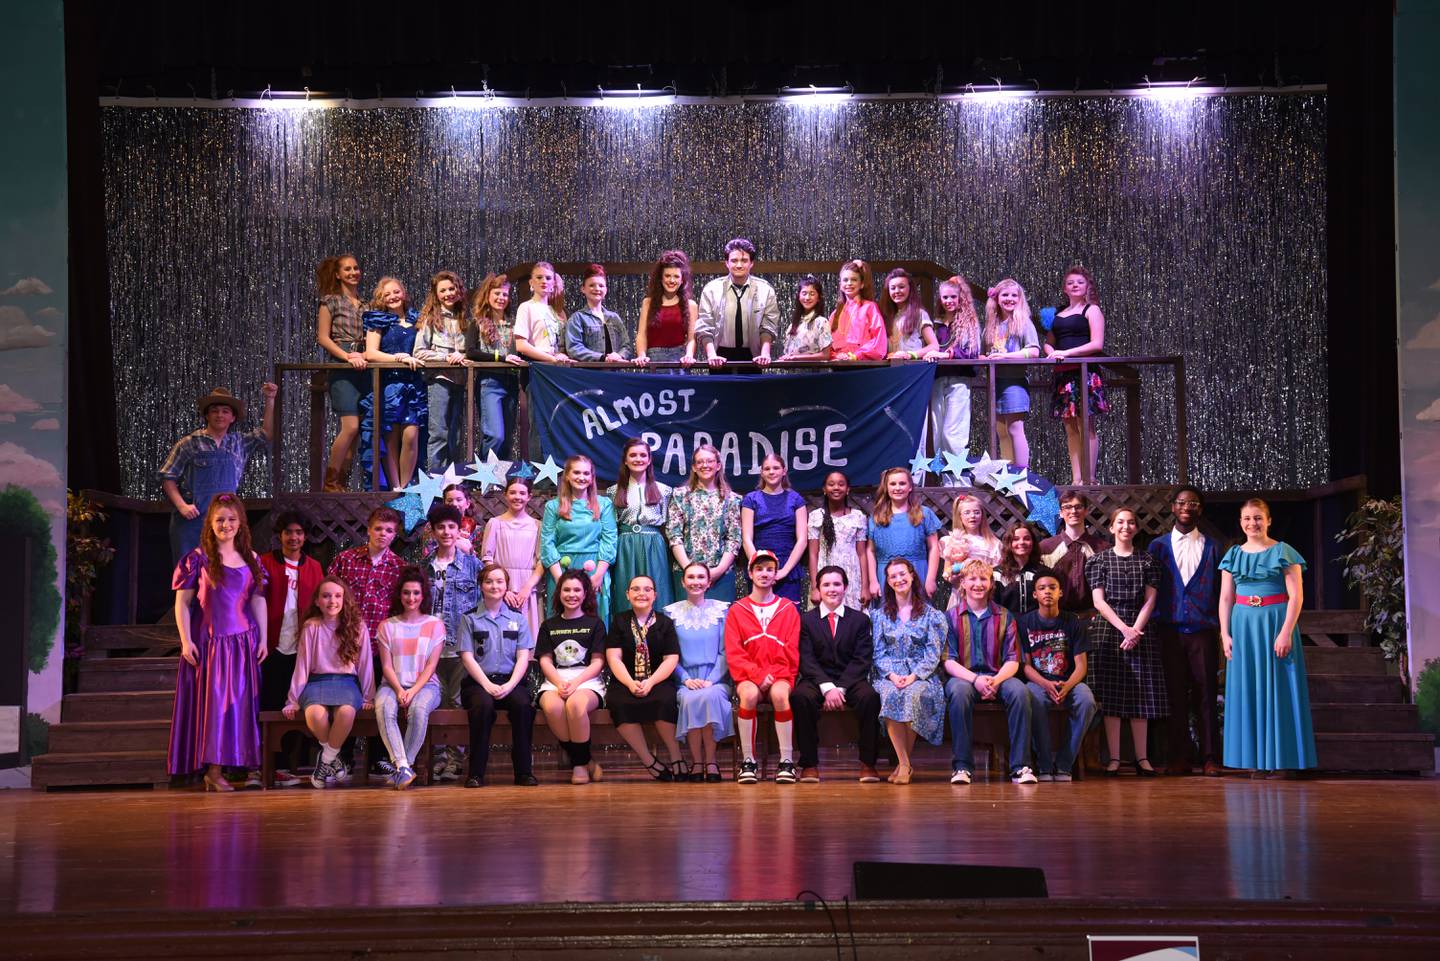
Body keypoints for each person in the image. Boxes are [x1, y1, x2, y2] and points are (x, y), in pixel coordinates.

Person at [168, 494, 268, 791]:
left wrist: (263, 637)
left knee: (240, 707)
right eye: (220, 520)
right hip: (212, 644)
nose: (226, 525)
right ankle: (212, 771)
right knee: (214, 709)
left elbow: (258, 599)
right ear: (210, 524)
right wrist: (185, 641)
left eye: (231, 519)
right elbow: (183, 604)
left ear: (241, 524)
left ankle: (243, 768)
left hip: (243, 644)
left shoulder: (252, 559)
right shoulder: (197, 559)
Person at [1219, 498, 1317, 775]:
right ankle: (1254, 761)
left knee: (1279, 688)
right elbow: (1226, 597)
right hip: (1243, 625)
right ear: (1241, 522)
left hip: (1275, 621)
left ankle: (1282, 759)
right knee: (1248, 688)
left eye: (1258, 517)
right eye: (1247, 518)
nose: (1253, 523)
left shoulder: (1284, 551)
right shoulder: (1234, 555)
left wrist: (1285, 632)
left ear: (1269, 520)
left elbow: (1296, 596)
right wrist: (1224, 633)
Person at [1147, 485, 1223, 776]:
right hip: (1169, 631)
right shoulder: (1158, 546)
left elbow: (1221, 590)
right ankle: (1178, 757)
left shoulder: (1214, 546)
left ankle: (1210, 758)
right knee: (1174, 695)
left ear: (1200, 509)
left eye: (1193, 503)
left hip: (1203, 630)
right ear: (1173, 507)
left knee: (1206, 695)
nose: (1187, 507)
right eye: (1181, 502)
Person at [159, 384, 277, 563]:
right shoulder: (190, 443)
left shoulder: (239, 443)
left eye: (225, 411)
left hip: (225, 523)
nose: (220, 415)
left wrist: (270, 399)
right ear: (207, 415)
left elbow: (267, 433)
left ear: (233, 417)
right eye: (214, 411)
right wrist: (182, 506)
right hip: (193, 523)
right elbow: (168, 476)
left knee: (222, 575)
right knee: (188, 574)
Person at [943, 559, 1036, 784]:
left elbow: (1013, 660)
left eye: (983, 579)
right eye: (972, 579)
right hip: (965, 677)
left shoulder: (1005, 616)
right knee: (958, 693)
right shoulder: (951, 617)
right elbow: (948, 661)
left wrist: (995, 681)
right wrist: (975, 680)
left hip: (1000, 676)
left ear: (991, 583)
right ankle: (962, 766)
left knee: (1021, 692)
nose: (978, 584)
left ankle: (1020, 766)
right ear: (963, 583)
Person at [1087, 507, 1165, 776]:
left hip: (1140, 630)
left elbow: (1151, 600)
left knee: (1140, 696)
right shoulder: (1099, 561)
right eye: (1120, 522)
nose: (1126, 527)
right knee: (1110, 697)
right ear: (1111, 527)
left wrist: (1135, 630)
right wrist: (1123, 629)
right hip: (1110, 630)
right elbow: (1098, 601)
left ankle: (1142, 758)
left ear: (1136, 528)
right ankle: (1115, 759)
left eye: (1131, 522)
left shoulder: (1148, 561)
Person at [283, 576, 376, 790]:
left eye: (337, 596)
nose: (332, 601)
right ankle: (334, 759)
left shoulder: (357, 626)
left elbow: (365, 664)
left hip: (346, 682)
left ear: (345, 600)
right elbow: (302, 665)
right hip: (317, 682)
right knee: (314, 714)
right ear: (317, 601)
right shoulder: (311, 626)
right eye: (326, 596)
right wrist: (293, 699)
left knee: (346, 713)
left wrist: (368, 696)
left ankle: (324, 762)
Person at [254, 510, 323, 788]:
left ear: (305, 537)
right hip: (270, 646)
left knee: (294, 707)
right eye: (288, 532)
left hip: (302, 649)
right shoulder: (265, 562)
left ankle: (289, 767)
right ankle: (267, 766)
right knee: (269, 703)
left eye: (299, 533)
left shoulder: (315, 567)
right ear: (280, 535)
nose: (294, 538)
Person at [793, 566, 881, 782]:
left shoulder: (860, 620)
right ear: (818, 589)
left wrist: (840, 688)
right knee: (800, 697)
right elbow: (806, 658)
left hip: (849, 680)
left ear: (845, 588)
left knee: (870, 698)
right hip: (816, 679)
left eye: (837, 584)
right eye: (826, 584)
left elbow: (862, 659)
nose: (832, 589)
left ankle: (868, 764)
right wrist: (827, 687)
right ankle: (809, 764)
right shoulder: (806, 620)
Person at [725, 551, 802, 783]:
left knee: (780, 694)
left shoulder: (788, 608)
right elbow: (734, 652)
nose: (764, 574)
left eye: (769, 569)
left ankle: (786, 761)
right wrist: (758, 676)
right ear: (750, 573)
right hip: (749, 676)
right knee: (747, 694)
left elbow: (792, 650)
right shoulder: (737, 610)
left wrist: (773, 676)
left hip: (779, 675)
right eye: (759, 569)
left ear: (776, 574)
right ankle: (748, 761)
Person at [457, 563, 538, 787]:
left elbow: (524, 656)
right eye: (489, 581)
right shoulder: (469, 618)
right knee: (482, 707)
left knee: (523, 707)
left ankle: (524, 772)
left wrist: (511, 684)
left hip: (511, 681)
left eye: (500, 581)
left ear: (506, 586)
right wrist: (487, 685)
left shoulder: (518, 618)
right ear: (481, 586)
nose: (495, 586)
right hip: (478, 683)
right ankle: (476, 773)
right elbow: (467, 656)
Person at [871, 557, 948, 785]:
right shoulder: (881, 615)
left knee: (914, 694)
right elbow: (878, 652)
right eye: (893, 576)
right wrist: (893, 676)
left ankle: (903, 765)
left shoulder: (931, 615)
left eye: (902, 574)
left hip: (921, 673)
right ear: (888, 581)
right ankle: (904, 763)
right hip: (889, 673)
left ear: (912, 575)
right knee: (891, 693)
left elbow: (933, 653)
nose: (899, 579)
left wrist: (913, 676)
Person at [421, 503, 483, 782]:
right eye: (441, 527)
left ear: (460, 530)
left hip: (461, 645)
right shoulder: (423, 567)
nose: (446, 532)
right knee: (434, 701)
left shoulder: (473, 565)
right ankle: (436, 757)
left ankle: (456, 759)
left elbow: (484, 603)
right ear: (433, 532)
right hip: (428, 647)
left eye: (451, 527)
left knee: (457, 701)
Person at [607, 575, 686, 780]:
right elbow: (614, 658)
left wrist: (650, 682)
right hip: (625, 680)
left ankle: (676, 756)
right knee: (619, 702)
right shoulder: (619, 621)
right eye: (636, 589)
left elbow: (671, 658)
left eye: (647, 589)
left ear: (655, 595)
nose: (641, 593)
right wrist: (630, 683)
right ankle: (648, 760)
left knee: (665, 700)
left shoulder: (665, 623)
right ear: (627, 594)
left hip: (658, 679)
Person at [1020, 571, 1096, 781]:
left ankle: (1064, 764)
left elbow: (1081, 666)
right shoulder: (1025, 622)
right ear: (1034, 594)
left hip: (1069, 681)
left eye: (1052, 587)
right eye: (1042, 588)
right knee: (1033, 699)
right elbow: (1025, 666)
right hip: (1038, 681)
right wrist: (1046, 684)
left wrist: (1068, 686)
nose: (1047, 592)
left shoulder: (1073, 622)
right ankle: (1044, 765)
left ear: (1060, 592)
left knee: (1087, 701)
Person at [373, 569, 445, 789]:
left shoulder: (435, 625)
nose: (411, 598)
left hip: (426, 686)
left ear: (423, 595)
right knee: (383, 706)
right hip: (393, 683)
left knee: (419, 709)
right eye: (406, 593)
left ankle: (405, 766)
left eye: (416, 593)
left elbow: (431, 666)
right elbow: (386, 666)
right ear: (399, 595)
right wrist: (398, 689)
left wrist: (412, 692)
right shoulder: (387, 626)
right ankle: (403, 765)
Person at [536, 570, 607, 784]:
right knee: (553, 708)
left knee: (575, 706)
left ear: (585, 594)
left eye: (577, 590)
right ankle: (586, 759)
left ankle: (578, 766)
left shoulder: (595, 624)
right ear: (559, 593)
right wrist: (559, 683)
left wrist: (576, 683)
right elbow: (545, 660)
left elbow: (598, 662)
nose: (571, 594)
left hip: (587, 681)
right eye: (566, 590)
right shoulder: (549, 625)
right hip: (555, 680)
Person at [667, 561, 732, 783]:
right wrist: (685, 679)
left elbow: (726, 651)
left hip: (716, 680)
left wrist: (711, 680)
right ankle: (696, 761)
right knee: (690, 699)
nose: (696, 582)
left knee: (709, 696)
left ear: (709, 582)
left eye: (701, 577)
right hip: (684, 681)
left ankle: (711, 760)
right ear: (683, 582)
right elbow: (669, 655)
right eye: (691, 577)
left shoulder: (722, 611)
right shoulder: (671, 613)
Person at [1043, 265, 1108, 484]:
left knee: (1086, 425)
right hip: (1063, 374)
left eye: (1079, 282)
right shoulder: (1059, 313)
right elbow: (1048, 343)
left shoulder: (1091, 310)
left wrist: (1067, 353)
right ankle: (1076, 478)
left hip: (1084, 373)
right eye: (1070, 283)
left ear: (1087, 285)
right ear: (1065, 288)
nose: (1075, 286)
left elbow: (1097, 343)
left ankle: (1090, 477)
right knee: (1070, 427)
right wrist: (1052, 353)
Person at [360, 277, 425, 490]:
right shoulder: (378, 320)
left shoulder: (417, 319)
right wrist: (399, 357)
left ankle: (406, 486)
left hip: (413, 386)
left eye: (396, 292)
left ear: (403, 293)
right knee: (390, 436)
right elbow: (370, 353)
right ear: (381, 299)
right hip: (389, 386)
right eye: (386, 294)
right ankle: (395, 486)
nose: (392, 297)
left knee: (411, 435)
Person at [541, 454, 619, 622]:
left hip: (594, 567)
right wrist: (560, 579)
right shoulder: (553, 506)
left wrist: (598, 575)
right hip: (562, 568)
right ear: (567, 476)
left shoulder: (604, 504)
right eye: (576, 473)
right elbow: (547, 543)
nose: (581, 477)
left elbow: (609, 540)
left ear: (592, 478)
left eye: (586, 473)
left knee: (594, 618)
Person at [314, 253, 368, 491]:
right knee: (351, 426)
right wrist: (346, 356)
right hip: (343, 361)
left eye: (356, 268)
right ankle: (330, 480)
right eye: (347, 269)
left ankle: (341, 484)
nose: (353, 272)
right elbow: (323, 337)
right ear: (337, 274)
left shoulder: (366, 304)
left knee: (357, 432)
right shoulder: (330, 301)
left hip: (365, 361)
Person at [607, 437, 675, 617]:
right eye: (633, 455)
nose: (638, 459)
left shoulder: (664, 490)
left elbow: (668, 525)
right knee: (625, 587)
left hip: (654, 545)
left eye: (643, 455)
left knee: (656, 586)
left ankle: (658, 634)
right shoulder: (614, 491)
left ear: (650, 459)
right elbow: (611, 526)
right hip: (625, 546)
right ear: (625, 460)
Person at [666, 444, 742, 601]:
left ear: (718, 465)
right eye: (700, 462)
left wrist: (718, 571)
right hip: (686, 573)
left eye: (710, 461)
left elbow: (734, 539)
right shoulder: (680, 495)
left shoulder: (732, 499)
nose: (705, 465)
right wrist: (689, 570)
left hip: (721, 575)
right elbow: (674, 534)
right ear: (694, 467)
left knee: (720, 622)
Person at [413, 270, 471, 473]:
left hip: (461, 380)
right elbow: (419, 352)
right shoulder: (430, 318)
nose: (448, 293)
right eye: (443, 290)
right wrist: (445, 357)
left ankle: (454, 480)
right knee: (439, 432)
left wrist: (463, 356)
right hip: (439, 379)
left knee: (456, 434)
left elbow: (471, 350)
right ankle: (436, 479)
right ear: (436, 294)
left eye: (451, 288)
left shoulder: (465, 319)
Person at [464, 273, 527, 460]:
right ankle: (484, 479)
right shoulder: (478, 322)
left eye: (505, 295)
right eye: (497, 293)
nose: (501, 298)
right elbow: (471, 351)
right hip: (489, 381)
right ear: (487, 295)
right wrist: (501, 357)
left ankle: (501, 482)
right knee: (495, 434)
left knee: (507, 437)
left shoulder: (514, 323)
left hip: (512, 381)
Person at [983, 278, 1041, 469]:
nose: (1009, 299)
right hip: (994, 382)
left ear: (1020, 298)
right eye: (1005, 295)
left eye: (1014, 295)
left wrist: (1006, 356)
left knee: (1015, 427)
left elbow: (1033, 351)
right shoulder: (992, 324)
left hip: (1014, 381)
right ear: (997, 298)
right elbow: (986, 351)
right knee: (1001, 429)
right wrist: (984, 357)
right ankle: (1007, 471)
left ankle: (1021, 473)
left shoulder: (1023, 322)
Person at [695, 237, 780, 366]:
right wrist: (712, 355)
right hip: (719, 356)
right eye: (734, 260)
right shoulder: (711, 289)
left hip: (754, 357)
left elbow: (768, 326)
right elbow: (705, 326)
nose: (739, 265)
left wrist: (765, 354)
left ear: (751, 263)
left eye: (744, 260)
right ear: (727, 263)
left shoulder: (765, 290)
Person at [327, 506, 406, 643]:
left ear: (394, 535)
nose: (383, 534)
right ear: (369, 530)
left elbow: (401, 608)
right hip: (344, 638)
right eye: (378, 529)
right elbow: (327, 595)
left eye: (389, 530)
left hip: (380, 642)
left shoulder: (400, 568)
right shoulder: (345, 559)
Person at [926, 275, 982, 465]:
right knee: (937, 431)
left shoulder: (968, 322)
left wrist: (946, 355)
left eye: (953, 297)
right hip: (938, 379)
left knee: (954, 432)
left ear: (960, 298)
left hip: (958, 380)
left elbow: (971, 352)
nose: (949, 301)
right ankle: (943, 483)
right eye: (945, 297)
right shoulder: (936, 323)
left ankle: (957, 483)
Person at [481, 475, 544, 638]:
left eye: (522, 493)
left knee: (528, 636)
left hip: (527, 590)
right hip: (501, 589)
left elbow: (541, 561)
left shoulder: (537, 525)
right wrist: (504, 589)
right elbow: (487, 559)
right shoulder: (495, 523)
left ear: (529, 496)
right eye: (513, 492)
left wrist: (527, 589)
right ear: (505, 495)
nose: (517, 497)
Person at [741, 453, 808, 603]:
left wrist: (784, 570)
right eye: (767, 468)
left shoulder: (796, 499)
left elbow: (802, 539)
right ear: (762, 472)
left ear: (784, 471)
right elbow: (746, 538)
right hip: (759, 566)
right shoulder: (751, 499)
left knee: (788, 617)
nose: (771, 472)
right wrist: (758, 567)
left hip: (787, 566)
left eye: (776, 468)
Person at [867, 466, 942, 600]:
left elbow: (934, 547)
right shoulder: (876, 516)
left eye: (902, 483)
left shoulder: (924, 513)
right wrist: (873, 581)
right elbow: (870, 551)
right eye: (893, 484)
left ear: (910, 487)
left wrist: (930, 579)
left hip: (918, 572)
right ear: (886, 487)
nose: (897, 488)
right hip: (886, 575)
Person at [806, 470, 872, 610]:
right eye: (831, 484)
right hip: (825, 573)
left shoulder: (858, 517)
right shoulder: (816, 516)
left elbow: (862, 554)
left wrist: (865, 587)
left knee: (851, 619)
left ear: (847, 489)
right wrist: (814, 587)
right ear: (824, 489)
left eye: (841, 484)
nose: (836, 488)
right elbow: (813, 553)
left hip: (852, 575)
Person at [1039, 490, 1111, 614]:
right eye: (1067, 507)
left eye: (1078, 507)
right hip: (1057, 617)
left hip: (1094, 616)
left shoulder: (1102, 548)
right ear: (1061, 513)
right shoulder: (1046, 547)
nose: (1073, 511)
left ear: (1086, 511)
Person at [634, 249, 699, 368]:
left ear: (682, 279)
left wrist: (689, 355)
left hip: (680, 361)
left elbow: (691, 339)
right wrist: (642, 355)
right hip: (654, 360)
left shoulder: (691, 305)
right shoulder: (648, 303)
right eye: (668, 276)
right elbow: (641, 335)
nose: (672, 280)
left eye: (676, 276)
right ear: (661, 278)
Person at [939, 494, 1003, 604]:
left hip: (983, 595)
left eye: (976, 512)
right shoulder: (952, 540)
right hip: (959, 595)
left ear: (982, 515)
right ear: (960, 516)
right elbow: (947, 571)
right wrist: (952, 578)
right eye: (967, 513)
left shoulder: (992, 543)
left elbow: (996, 573)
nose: (972, 516)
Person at [566, 263, 634, 363]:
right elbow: (574, 348)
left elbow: (627, 346)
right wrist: (602, 358)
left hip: (615, 373)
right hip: (590, 375)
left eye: (601, 285)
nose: (597, 289)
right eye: (592, 285)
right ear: (583, 289)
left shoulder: (614, 318)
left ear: (606, 290)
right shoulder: (577, 318)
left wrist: (619, 356)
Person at [513, 260, 574, 366]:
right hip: (538, 367)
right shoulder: (526, 307)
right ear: (531, 282)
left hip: (560, 366)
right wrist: (552, 359)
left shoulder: (558, 311)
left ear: (553, 283)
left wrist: (561, 356)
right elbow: (521, 345)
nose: (544, 281)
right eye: (539, 277)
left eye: (548, 278)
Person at [827, 259, 887, 362]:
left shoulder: (869, 307)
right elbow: (827, 345)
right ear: (841, 285)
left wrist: (856, 356)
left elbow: (879, 340)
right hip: (839, 366)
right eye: (845, 280)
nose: (849, 283)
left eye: (854, 280)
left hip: (862, 365)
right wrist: (835, 355)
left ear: (862, 284)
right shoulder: (835, 314)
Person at [994, 521, 1051, 616]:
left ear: (1033, 542)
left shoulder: (1044, 573)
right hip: (1006, 627)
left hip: (1036, 628)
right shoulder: (997, 574)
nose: (1021, 542)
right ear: (1009, 543)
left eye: (1027, 538)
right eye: (1016, 539)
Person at [880, 267, 937, 360]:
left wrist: (911, 355)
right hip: (889, 367)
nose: (897, 291)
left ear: (910, 289)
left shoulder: (919, 313)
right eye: (893, 288)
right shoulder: (885, 315)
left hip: (912, 367)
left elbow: (934, 346)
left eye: (901, 287)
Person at [778, 274, 831, 361]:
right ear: (799, 296)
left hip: (813, 372)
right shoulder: (794, 325)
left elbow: (825, 355)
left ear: (818, 298)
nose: (807, 297)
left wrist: (797, 358)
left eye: (812, 294)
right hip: (792, 373)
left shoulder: (822, 322)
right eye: (804, 293)